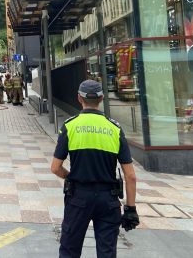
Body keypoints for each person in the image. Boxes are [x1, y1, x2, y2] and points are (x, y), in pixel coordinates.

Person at [51, 80, 139, 258]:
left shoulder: (70, 126)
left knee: (69, 250)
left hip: (78, 197)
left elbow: (55, 167)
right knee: (107, 252)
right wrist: (130, 208)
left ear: (79, 98)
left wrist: (70, 177)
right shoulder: (115, 129)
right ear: (101, 98)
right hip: (108, 200)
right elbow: (130, 176)